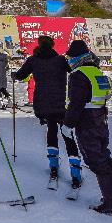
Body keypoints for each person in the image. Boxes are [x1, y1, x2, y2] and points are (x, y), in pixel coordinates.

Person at [12, 35, 82, 190]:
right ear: (52, 45)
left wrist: (14, 76)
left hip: (42, 104)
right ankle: (76, 173)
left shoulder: (33, 60)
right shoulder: (60, 60)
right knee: (67, 135)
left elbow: (20, 75)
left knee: (51, 131)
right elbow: (75, 70)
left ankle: (54, 167)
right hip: (60, 104)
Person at [61, 40, 112, 216]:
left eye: (70, 57)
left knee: (96, 160)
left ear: (76, 57)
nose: (69, 60)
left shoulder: (78, 74)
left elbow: (76, 103)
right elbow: (105, 94)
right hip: (101, 119)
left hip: (87, 122)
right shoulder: (96, 71)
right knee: (104, 157)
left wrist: (68, 124)